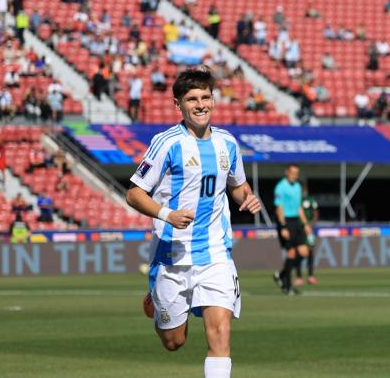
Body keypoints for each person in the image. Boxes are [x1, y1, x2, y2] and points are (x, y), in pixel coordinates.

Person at [125, 67, 263, 378]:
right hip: (172, 255)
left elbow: (237, 185)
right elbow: (134, 194)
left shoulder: (228, 143)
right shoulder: (167, 143)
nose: (200, 104)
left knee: (220, 332)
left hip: (215, 253)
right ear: (179, 106)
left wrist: (247, 198)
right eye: (191, 99)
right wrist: (167, 214)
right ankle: (155, 300)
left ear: (213, 100)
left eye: (205, 97)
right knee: (175, 342)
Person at [272, 164, 309, 295]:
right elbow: (279, 208)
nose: (295, 175)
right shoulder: (280, 187)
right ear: (287, 172)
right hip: (285, 221)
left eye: (297, 173)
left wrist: (305, 224)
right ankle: (288, 286)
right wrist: (283, 226)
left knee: (304, 251)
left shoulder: (298, 187)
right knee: (291, 253)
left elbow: (299, 207)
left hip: (296, 222)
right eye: (292, 173)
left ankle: (281, 275)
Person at [294, 180, 320, 287]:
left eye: (304, 189)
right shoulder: (295, 200)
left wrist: (311, 224)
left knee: (310, 252)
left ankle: (310, 276)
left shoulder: (310, 200)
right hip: (298, 229)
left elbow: (316, 212)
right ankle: (299, 277)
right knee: (298, 252)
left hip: (308, 229)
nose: (303, 191)